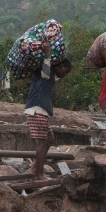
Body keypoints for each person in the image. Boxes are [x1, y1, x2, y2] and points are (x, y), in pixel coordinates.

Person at [23, 42, 72, 179]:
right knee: (42, 141)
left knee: (49, 138)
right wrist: (47, 54)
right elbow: (45, 73)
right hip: (37, 108)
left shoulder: (51, 73)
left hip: (41, 109)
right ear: (61, 66)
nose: (65, 74)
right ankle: (39, 175)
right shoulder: (46, 70)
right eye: (65, 71)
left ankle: (35, 168)